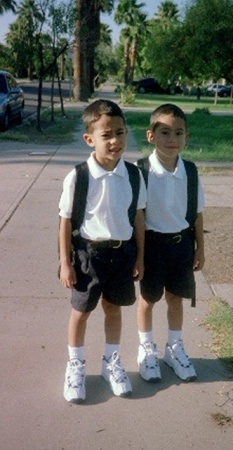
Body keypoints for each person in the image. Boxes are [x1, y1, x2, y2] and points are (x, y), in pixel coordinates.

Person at [59, 99, 146, 403]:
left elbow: (137, 217)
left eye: (120, 133)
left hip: (122, 255)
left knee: (114, 309)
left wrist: (140, 257)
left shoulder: (134, 175)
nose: (115, 141)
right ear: (89, 139)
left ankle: (111, 362)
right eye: (106, 135)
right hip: (88, 256)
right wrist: (65, 264)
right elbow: (65, 220)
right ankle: (75, 366)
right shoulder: (79, 176)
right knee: (80, 312)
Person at [136, 103, 205, 383]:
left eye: (179, 133)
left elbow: (198, 213)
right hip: (151, 246)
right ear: (151, 135)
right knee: (148, 299)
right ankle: (146, 348)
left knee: (176, 297)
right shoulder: (140, 171)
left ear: (186, 137)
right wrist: (138, 255)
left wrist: (201, 247)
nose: (172, 139)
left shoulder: (189, 171)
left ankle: (174, 347)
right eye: (164, 132)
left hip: (181, 245)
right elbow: (138, 217)